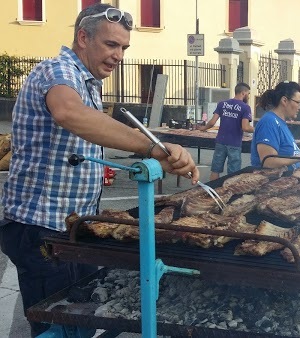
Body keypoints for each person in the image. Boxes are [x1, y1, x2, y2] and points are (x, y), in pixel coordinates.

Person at [0, 4, 199, 336]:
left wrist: (157, 157)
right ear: (82, 38)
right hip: (41, 230)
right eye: (111, 44)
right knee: (59, 328)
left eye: (124, 47)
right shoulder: (59, 71)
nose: (119, 55)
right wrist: (149, 146)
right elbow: (69, 113)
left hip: (74, 227)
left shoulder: (89, 82)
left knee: (82, 322)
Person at [251, 81, 300, 170]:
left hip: (287, 181)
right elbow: (268, 162)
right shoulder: (269, 122)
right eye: (298, 102)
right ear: (284, 100)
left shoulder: (281, 123)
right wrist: (299, 158)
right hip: (271, 182)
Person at [199, 82, 254, 181]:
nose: (248, 96)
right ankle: (229, 193)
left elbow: (212, 122)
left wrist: (203, 128)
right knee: (234, 173)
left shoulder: (222, 104)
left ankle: (213, 192)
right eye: (248, 94)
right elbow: (245, 127)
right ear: (243, 93)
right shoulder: (245, 108)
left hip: (220, 141)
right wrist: (257, 129)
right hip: (234, 143)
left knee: (215, 170)